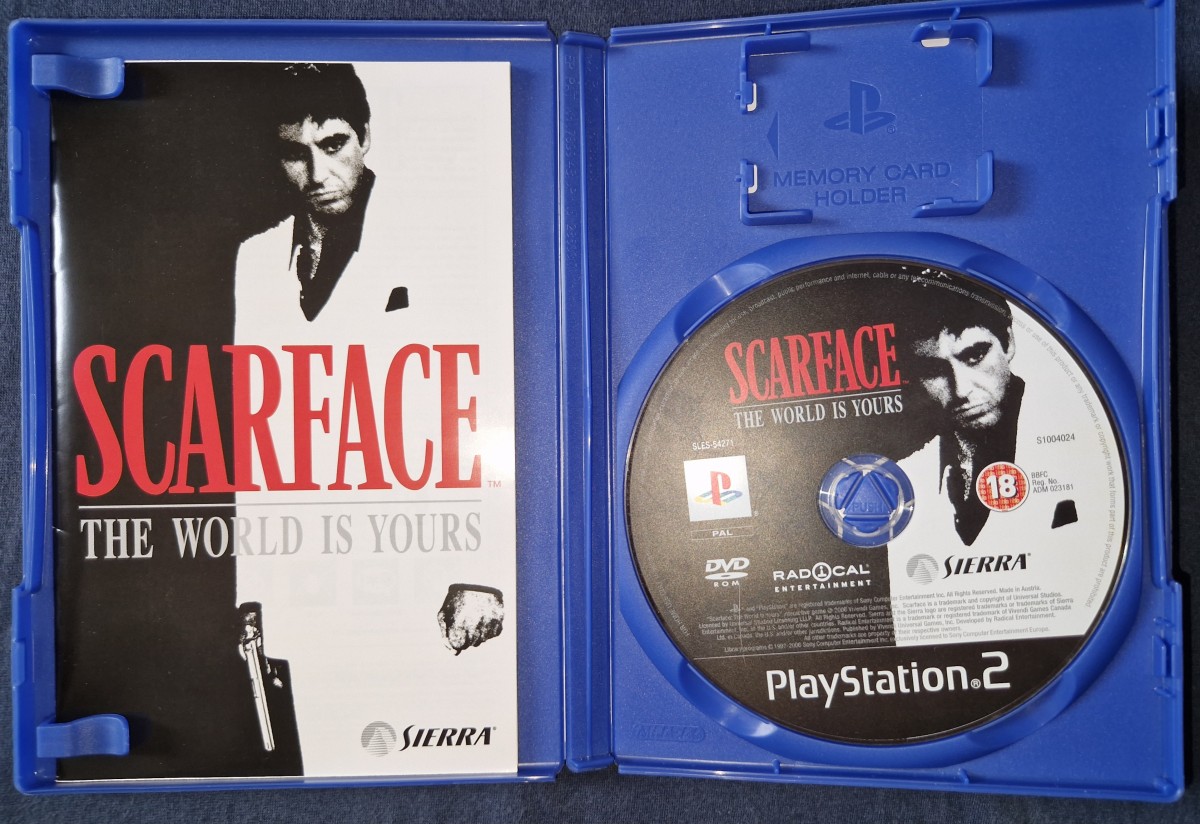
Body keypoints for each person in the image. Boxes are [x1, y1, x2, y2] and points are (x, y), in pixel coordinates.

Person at [236, 63, 407, 324]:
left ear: (364, 138)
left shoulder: (416, 240)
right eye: (295, 154)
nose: (317, 175)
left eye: (333, 146)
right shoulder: (256, 255)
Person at [902, 295, 1022, 546]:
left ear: (1008, 342)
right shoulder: (913, 464)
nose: (960, 390)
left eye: (975, 356)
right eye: (933, 370)